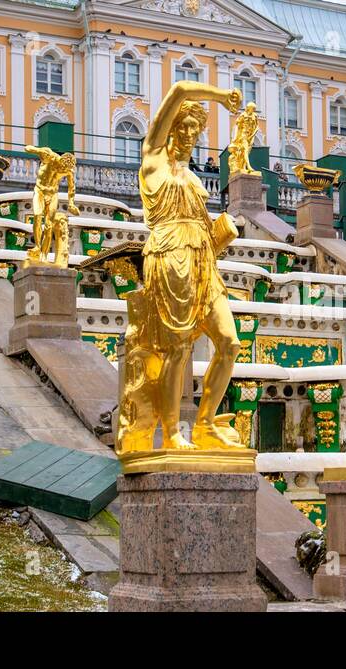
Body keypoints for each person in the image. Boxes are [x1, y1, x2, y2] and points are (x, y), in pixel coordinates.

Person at [114, 79, 245, 453]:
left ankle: (205, 424)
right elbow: (178, 90)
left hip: (203, 260)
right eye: (183, 126)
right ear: (169, 128)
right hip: (169, 257)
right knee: (176, 349)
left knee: (230, 343)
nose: (189, 134)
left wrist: (221, 233)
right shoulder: (152, 158)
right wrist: (221, 96)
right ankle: (171, 431)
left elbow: (200, 225)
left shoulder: (191, 177)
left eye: (195, 129)